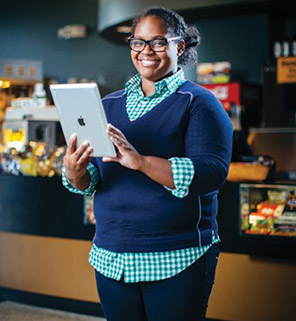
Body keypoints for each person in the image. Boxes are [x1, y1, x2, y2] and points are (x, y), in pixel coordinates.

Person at [62, 6, 233, 321]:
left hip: (177, 256)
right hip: (111, 257)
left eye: (157, 42)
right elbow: (97, 178)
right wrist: (76, 173)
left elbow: (211, 173)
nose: (146, 51)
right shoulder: (107, 105)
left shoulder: (199, 103)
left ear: (178, 46)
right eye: (138, 42)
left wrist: (141, 162)